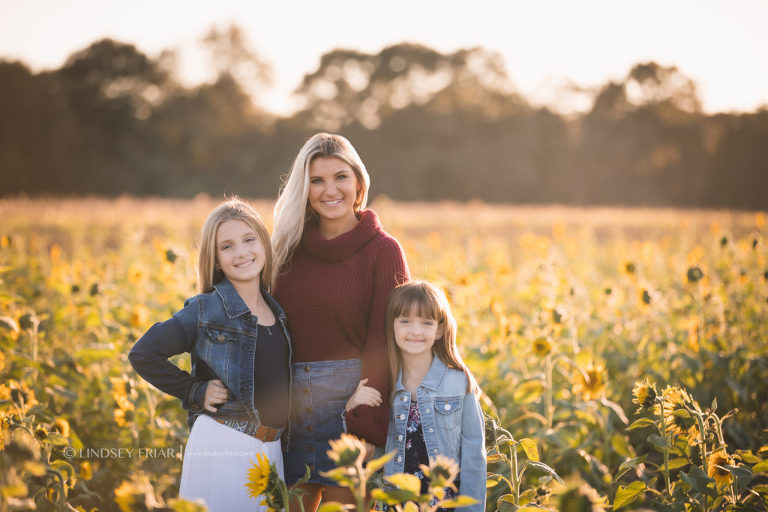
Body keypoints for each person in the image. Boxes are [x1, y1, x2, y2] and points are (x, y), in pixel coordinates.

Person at [271, 133, 409, 510]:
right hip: (288, 412)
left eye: (340, 177)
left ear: (359, 183)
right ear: (304, 188)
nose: (329, 190)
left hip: (351, 406)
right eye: (316, 180)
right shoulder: (285, 248)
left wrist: (366, 425)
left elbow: (386, 343)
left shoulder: (383, 250)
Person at [129, 197, 291, 511]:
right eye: (227, 246)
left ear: (264, 244)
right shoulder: (207, 309)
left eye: (249, 240)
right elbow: (144, 353)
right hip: (223, 444)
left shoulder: (277, 310)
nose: (242, 252)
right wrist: (194, 390)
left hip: (271, 449)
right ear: (215, 259)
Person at [347, 280, 486, 512]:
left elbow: (474, 460)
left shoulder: (459, 384)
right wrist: (352, 407)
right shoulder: (385, 385)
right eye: (405, 321)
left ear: (439, 329)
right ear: (391, 325)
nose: (415, 331)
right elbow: (373, 455)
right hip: (395, 504)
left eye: (426, 322)